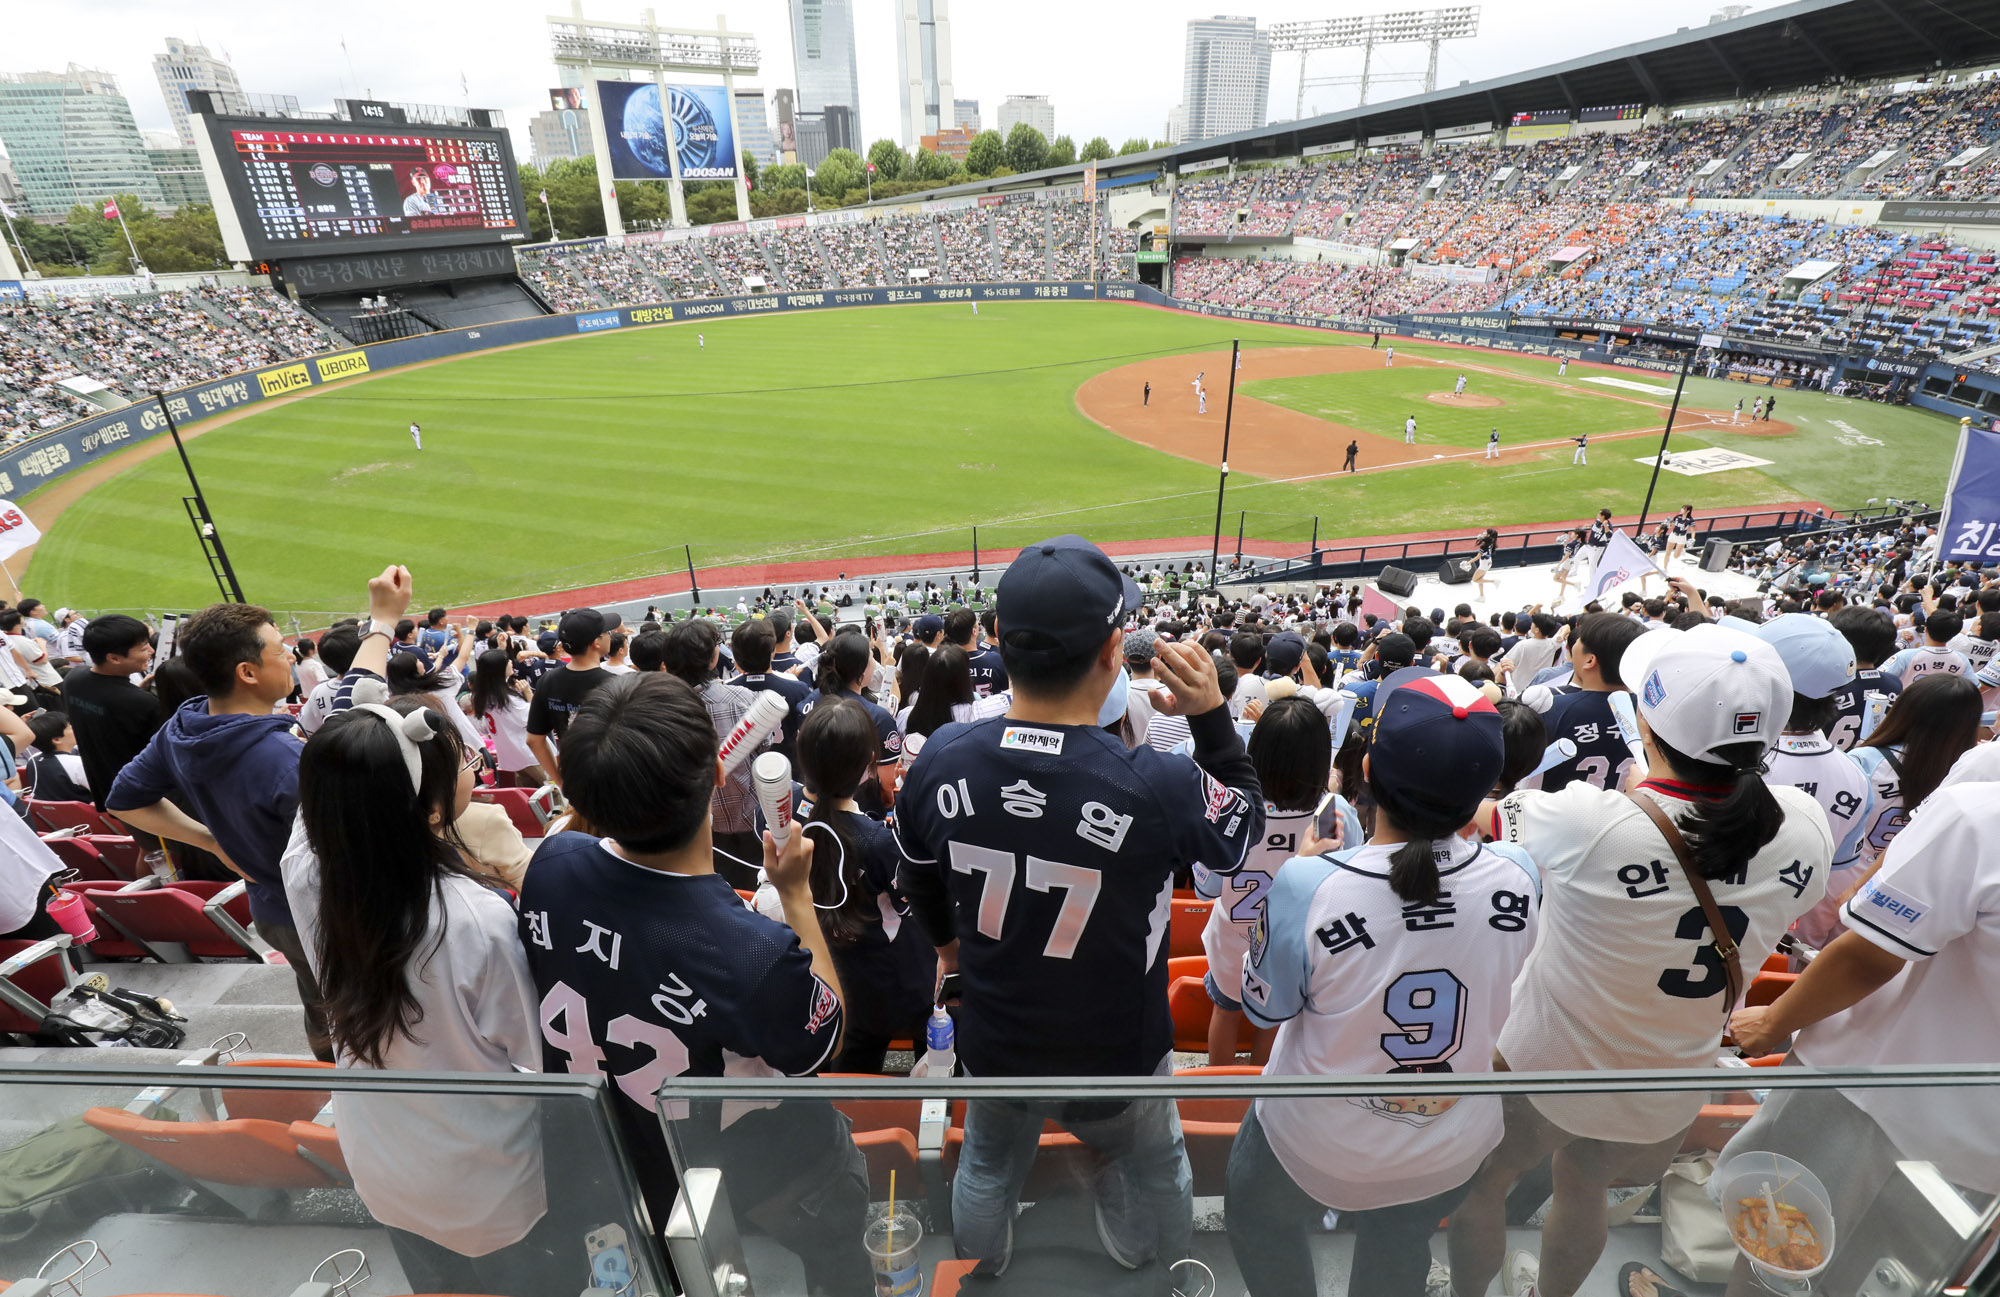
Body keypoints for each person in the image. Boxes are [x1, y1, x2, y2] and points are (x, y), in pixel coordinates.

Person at [894, 534, 1264, 1276]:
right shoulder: (1153, 780)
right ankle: (1155, 1264)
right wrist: (1213, 719)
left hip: (998, 1035)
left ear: (998, 640)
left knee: (989, 1165)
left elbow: (919, 877)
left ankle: (982, 1269)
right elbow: (1239, 833)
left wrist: (946, 948)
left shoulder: (939, 756)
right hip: (1117, 1053)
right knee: (1155, 1159)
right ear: (1112, 649)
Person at [1444, 622, 1831, 1297]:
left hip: (1548, 1063)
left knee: (1485, 1182)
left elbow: (1472, 816)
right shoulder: (1806, 823)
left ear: (1648, 721)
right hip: (1666, 1080)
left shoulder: (1588, 820)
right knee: (1584, 1185)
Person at [517, 673, 870, 1291]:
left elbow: (582, 849)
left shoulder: (550, 868)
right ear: (714, 776)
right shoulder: (748, 948)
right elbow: (826, 1033)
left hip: (623, 1162)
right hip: (756, 1164)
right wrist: (794, 896)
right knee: (836, 1231)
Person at [1230, 674, 1541, 1297]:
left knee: (1257, 1223)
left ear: (1367, 768)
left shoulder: (1309, 883)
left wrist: (1294, 878)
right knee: (1399, 1249)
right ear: (1486, 791)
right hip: (1451, 1144)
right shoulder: (1521, 871)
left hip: (1312, 1144)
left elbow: (1263, 1011)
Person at [283, 695, 595, 1293]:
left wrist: (377, 637)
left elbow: (328, 773)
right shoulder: (475, 919)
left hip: (384, 1167)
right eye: (461, 764)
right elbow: (535, 1054)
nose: (475, 767)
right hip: (485, 1181)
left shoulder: (308, 876)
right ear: (428, 811)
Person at [108, 567, 415, 1062]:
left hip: (271, 912)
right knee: (364, 1005)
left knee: (319, 995)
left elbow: (125, 799)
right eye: (279, 650)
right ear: (247, 672)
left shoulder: (186, 724)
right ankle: (366, 1073)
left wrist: (209, 841)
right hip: (327, 914)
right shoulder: (284, 762)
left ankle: (331, 1061)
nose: (292, 654)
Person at [1720, 783, 2000, 1297]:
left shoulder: (1981, 815)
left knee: (1775, 1255)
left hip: (1865, 1098)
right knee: (1883, 1280)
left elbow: (1868, 955)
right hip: (1980, 1148)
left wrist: (1774, 1022)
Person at [1198, 696, 1359, 1067]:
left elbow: (1206, 887)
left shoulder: (1228, 807)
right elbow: (1352, 873)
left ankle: (1218, 1091)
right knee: (1272, 1018)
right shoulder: (1334, 811)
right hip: (1296, 939)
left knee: (1225, 1009)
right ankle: (1260, 1087)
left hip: (1232, 935)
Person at [791, 699, 936, 1073]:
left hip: (829, 972)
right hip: (891, 978)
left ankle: (857, 1114)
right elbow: (912, 902)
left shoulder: (788, 817)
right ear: (867, 766)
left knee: (857, 1061)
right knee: (929, 1033)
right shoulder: (877, 840)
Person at [663, 618, 773, 886]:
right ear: (713, 658)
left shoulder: (662, 709)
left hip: (697, 829)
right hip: (752, 818)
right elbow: (766, 748)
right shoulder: (744, 699)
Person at [1519, 611, 1645, 791]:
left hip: (1556, 814)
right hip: (1627, 814)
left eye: (1580, 639)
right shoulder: (1651, 715)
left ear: (1590, 660)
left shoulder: (1552, 709)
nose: (1574, 642)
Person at [61, 615, 160, 812]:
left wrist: (137, 693)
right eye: (143, 648)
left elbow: (108, 708)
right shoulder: (140, 703)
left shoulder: (74, 679)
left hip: (107, 791)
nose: (151, 651)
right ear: (113, 658)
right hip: (145, 799)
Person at [523, 608, 617, 787]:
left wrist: (559, 781)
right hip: (612, 777)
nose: (610, 636)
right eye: (607, 632)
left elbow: (534, 740)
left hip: (573, 775)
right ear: (596, 642)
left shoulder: (548, 681)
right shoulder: (617, 684)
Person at [468, 648, 543, 788]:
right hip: (528, 753)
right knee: (555, 791)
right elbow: (535, 717)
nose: (511, 662)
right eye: (507, 661)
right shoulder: (507, 698)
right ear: (498, 668)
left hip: (512, 753)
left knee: (530, 795)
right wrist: (528, 693)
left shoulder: (483, 694)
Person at [1880, 609, 1973, 682]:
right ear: (1955, 634)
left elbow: (1881, 679)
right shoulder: (1962, 659)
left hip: (1906, 703)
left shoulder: (1905, 656)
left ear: (1926, 629)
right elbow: (1974, 686)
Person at [1473, 528, 1498, 599]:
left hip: (1484, 564)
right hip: (1487, 562)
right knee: (1480, 579)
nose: (1483, 533)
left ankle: (1493, 581)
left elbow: (1478, 557)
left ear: (1488, 535)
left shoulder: (1485, 545)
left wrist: (1468, 563)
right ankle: (1481, 595)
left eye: (1485, 532)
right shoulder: (1491, 542)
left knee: (1475, 580)